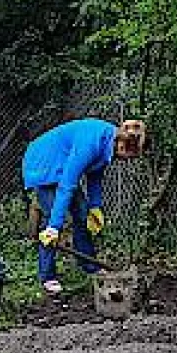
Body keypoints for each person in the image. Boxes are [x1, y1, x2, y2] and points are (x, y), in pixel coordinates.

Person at [22, 117, 147, 294]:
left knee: (82, 214)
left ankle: (89, 265)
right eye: (124, 157)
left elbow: (94, 177)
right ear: (120, 145)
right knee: (51, 219)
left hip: (63, 165)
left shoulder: (109, 143)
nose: (123, 161)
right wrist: (55, 226)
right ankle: (47, 276)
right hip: (44, 164)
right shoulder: (90, 144)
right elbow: (66, 185)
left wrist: (95, 208)